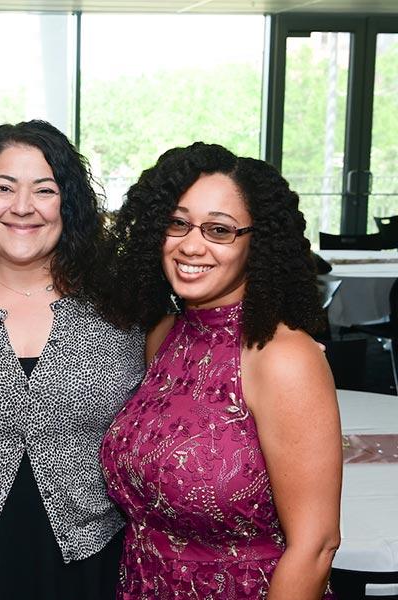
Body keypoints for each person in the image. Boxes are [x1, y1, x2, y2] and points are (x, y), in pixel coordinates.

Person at [99, 142, 341, 599]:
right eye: (178, 223)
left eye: (219, 230)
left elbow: (316, 546)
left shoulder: (283, 357)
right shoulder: (165, 334)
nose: (191, 245)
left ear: (257, 242)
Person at [0, 120, 145, 599]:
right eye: (3, 188)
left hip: (91, 565)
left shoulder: (124, 307)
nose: (22, 207)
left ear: (69, 204)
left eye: (44, 190)